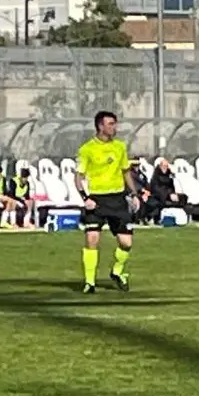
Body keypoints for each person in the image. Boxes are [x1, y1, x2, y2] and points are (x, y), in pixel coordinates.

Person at [75, 110, 141, 293]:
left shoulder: (119, 147)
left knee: (126, 243)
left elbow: (126, 172)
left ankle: (117, 271)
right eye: (110, 124)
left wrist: (134, 194)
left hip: (117, 199)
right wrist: (85, 198)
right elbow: (78, 177)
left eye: (115, 123)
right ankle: (89, 282)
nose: (114, 127)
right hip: (97, 199)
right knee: (92, 238)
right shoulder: (87, 149)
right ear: (100, 126)